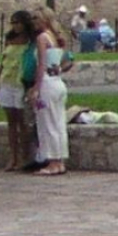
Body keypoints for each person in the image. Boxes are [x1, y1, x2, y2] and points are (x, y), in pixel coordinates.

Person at [27, 10, 73, 176]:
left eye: (36, 18)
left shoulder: (42, 38)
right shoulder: (56, 39)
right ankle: (59, 160)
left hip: (47, 83)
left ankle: (53, 162)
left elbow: (41, 65)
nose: (34, 22)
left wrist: (36, 88)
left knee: (47, 124)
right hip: (57, 82)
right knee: (58, 123)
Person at [0, 10, 34, 172]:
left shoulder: (30, 41)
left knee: (22, 121)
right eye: (13, 23)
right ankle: (13, 156)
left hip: (20, 83)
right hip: (7, 81)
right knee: (11, 122)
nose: (15, 26)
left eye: (18, 22)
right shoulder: (9, 39)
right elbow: (4, 60)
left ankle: (25, 156)